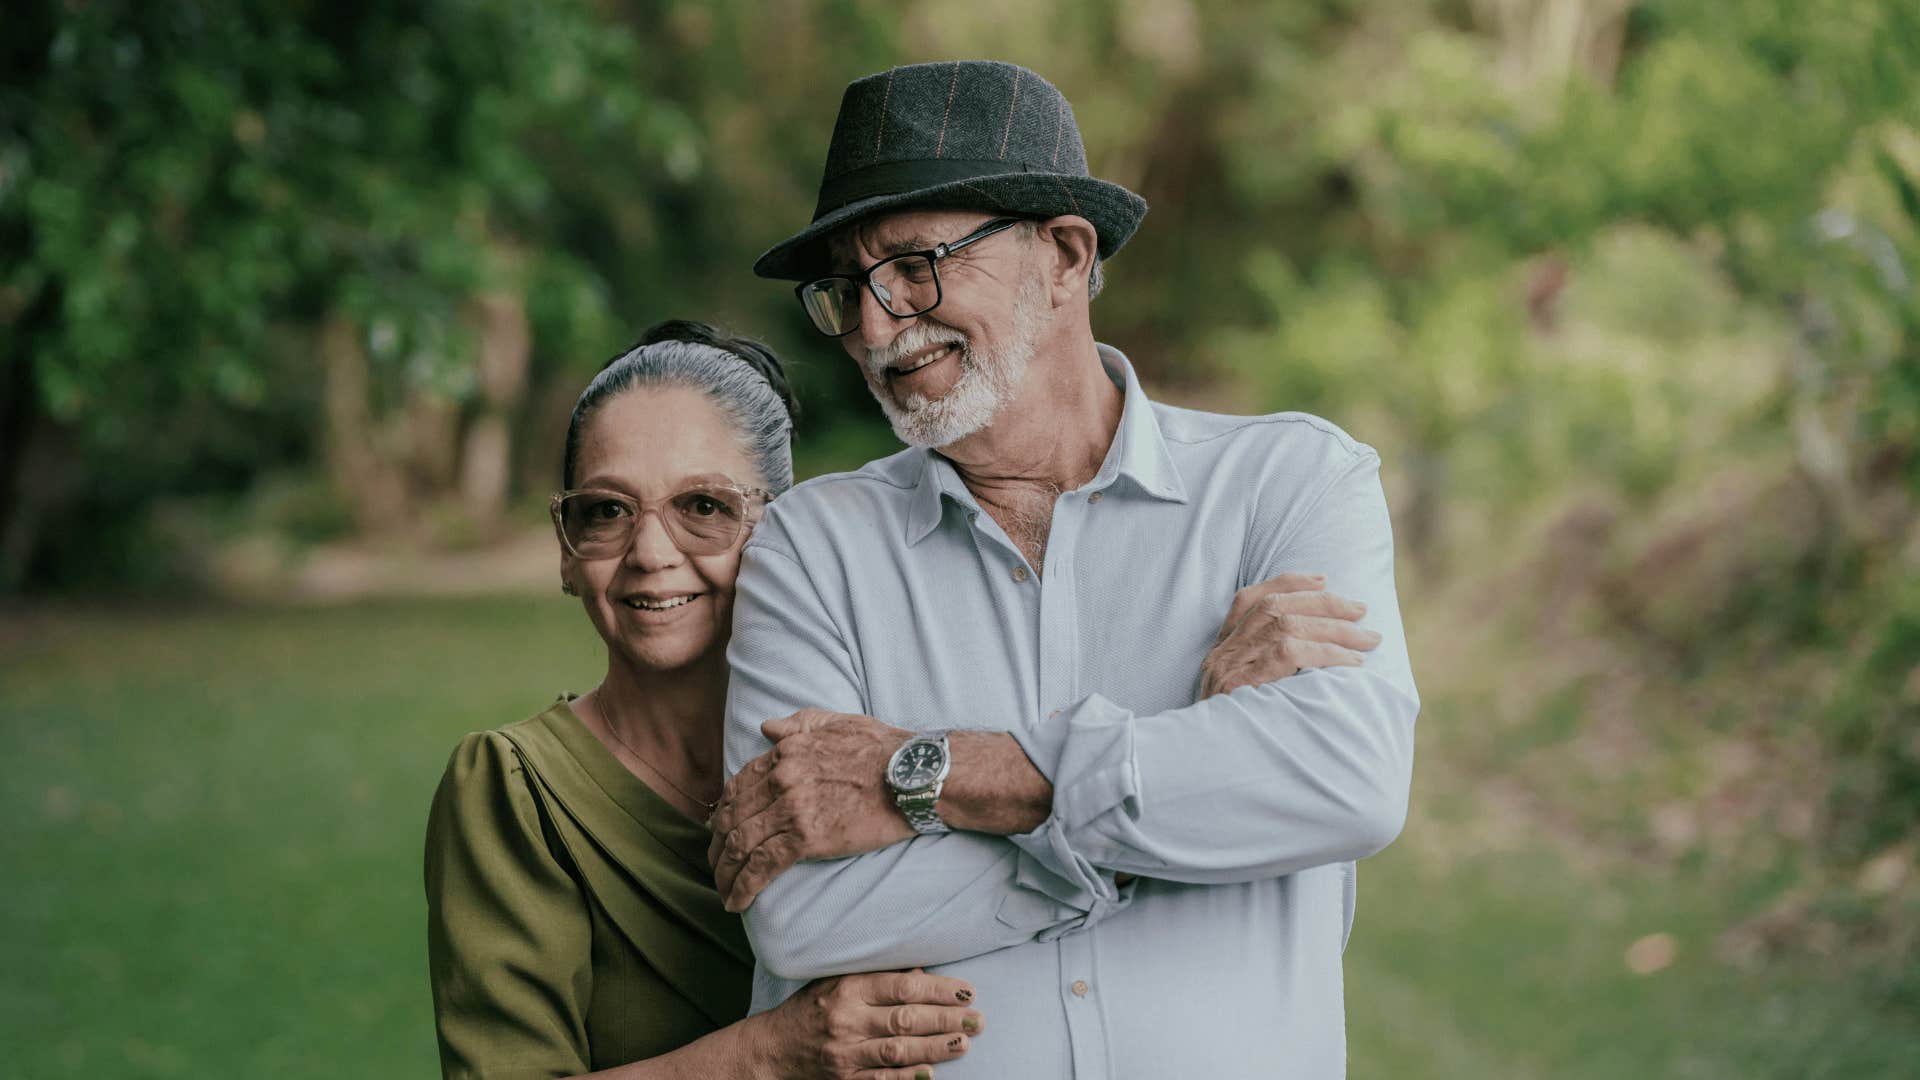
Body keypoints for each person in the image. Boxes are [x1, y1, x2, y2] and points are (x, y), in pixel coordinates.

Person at [710, 62, 1419, 1078]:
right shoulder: (814, 548)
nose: (873, 327)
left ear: (1065, 255)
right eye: (846, 287)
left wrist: (938, 775)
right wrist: (1184, 771)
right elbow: (802, 911)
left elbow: (1346, 784)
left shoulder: (1290, 483)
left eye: (915, 264)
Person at [423, 321, 988, 1080]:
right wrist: (772, 1053)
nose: (652, 555)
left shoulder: (886, 745)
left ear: (784, 531)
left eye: (703, 507)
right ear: (566, 550)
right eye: (607, 511)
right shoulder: (519, 792)